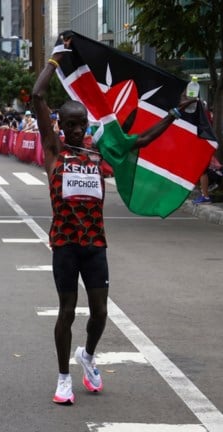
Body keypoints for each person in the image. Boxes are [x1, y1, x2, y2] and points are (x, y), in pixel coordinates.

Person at [32, 34, 197, 405]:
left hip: (95, 245)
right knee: (67, 312)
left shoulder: (97, 151)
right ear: (60, 126)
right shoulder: (55, 152)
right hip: (64, 244)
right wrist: (56, 58)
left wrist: (174, 113)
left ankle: (87, 357)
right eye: (70, 125)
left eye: (81, 125)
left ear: (87, 125)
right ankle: (62, 378)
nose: (76, 131)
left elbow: (140, 141)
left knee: (101, 312)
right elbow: (38, 97)